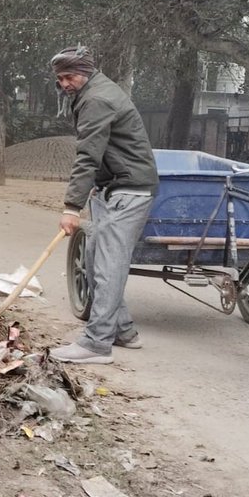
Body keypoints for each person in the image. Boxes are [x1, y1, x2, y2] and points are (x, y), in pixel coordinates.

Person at [48, 46, 159, 364]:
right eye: (60, 79)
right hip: (116, 187)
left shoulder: (96, 99)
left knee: (108, 267)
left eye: (68, 77)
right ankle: (124, 331)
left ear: (84, 71)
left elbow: (88, 154)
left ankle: (97, 344)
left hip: (130, 192)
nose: (65, 84)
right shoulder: (91, 92)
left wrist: (72, 206)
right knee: (97, 259)